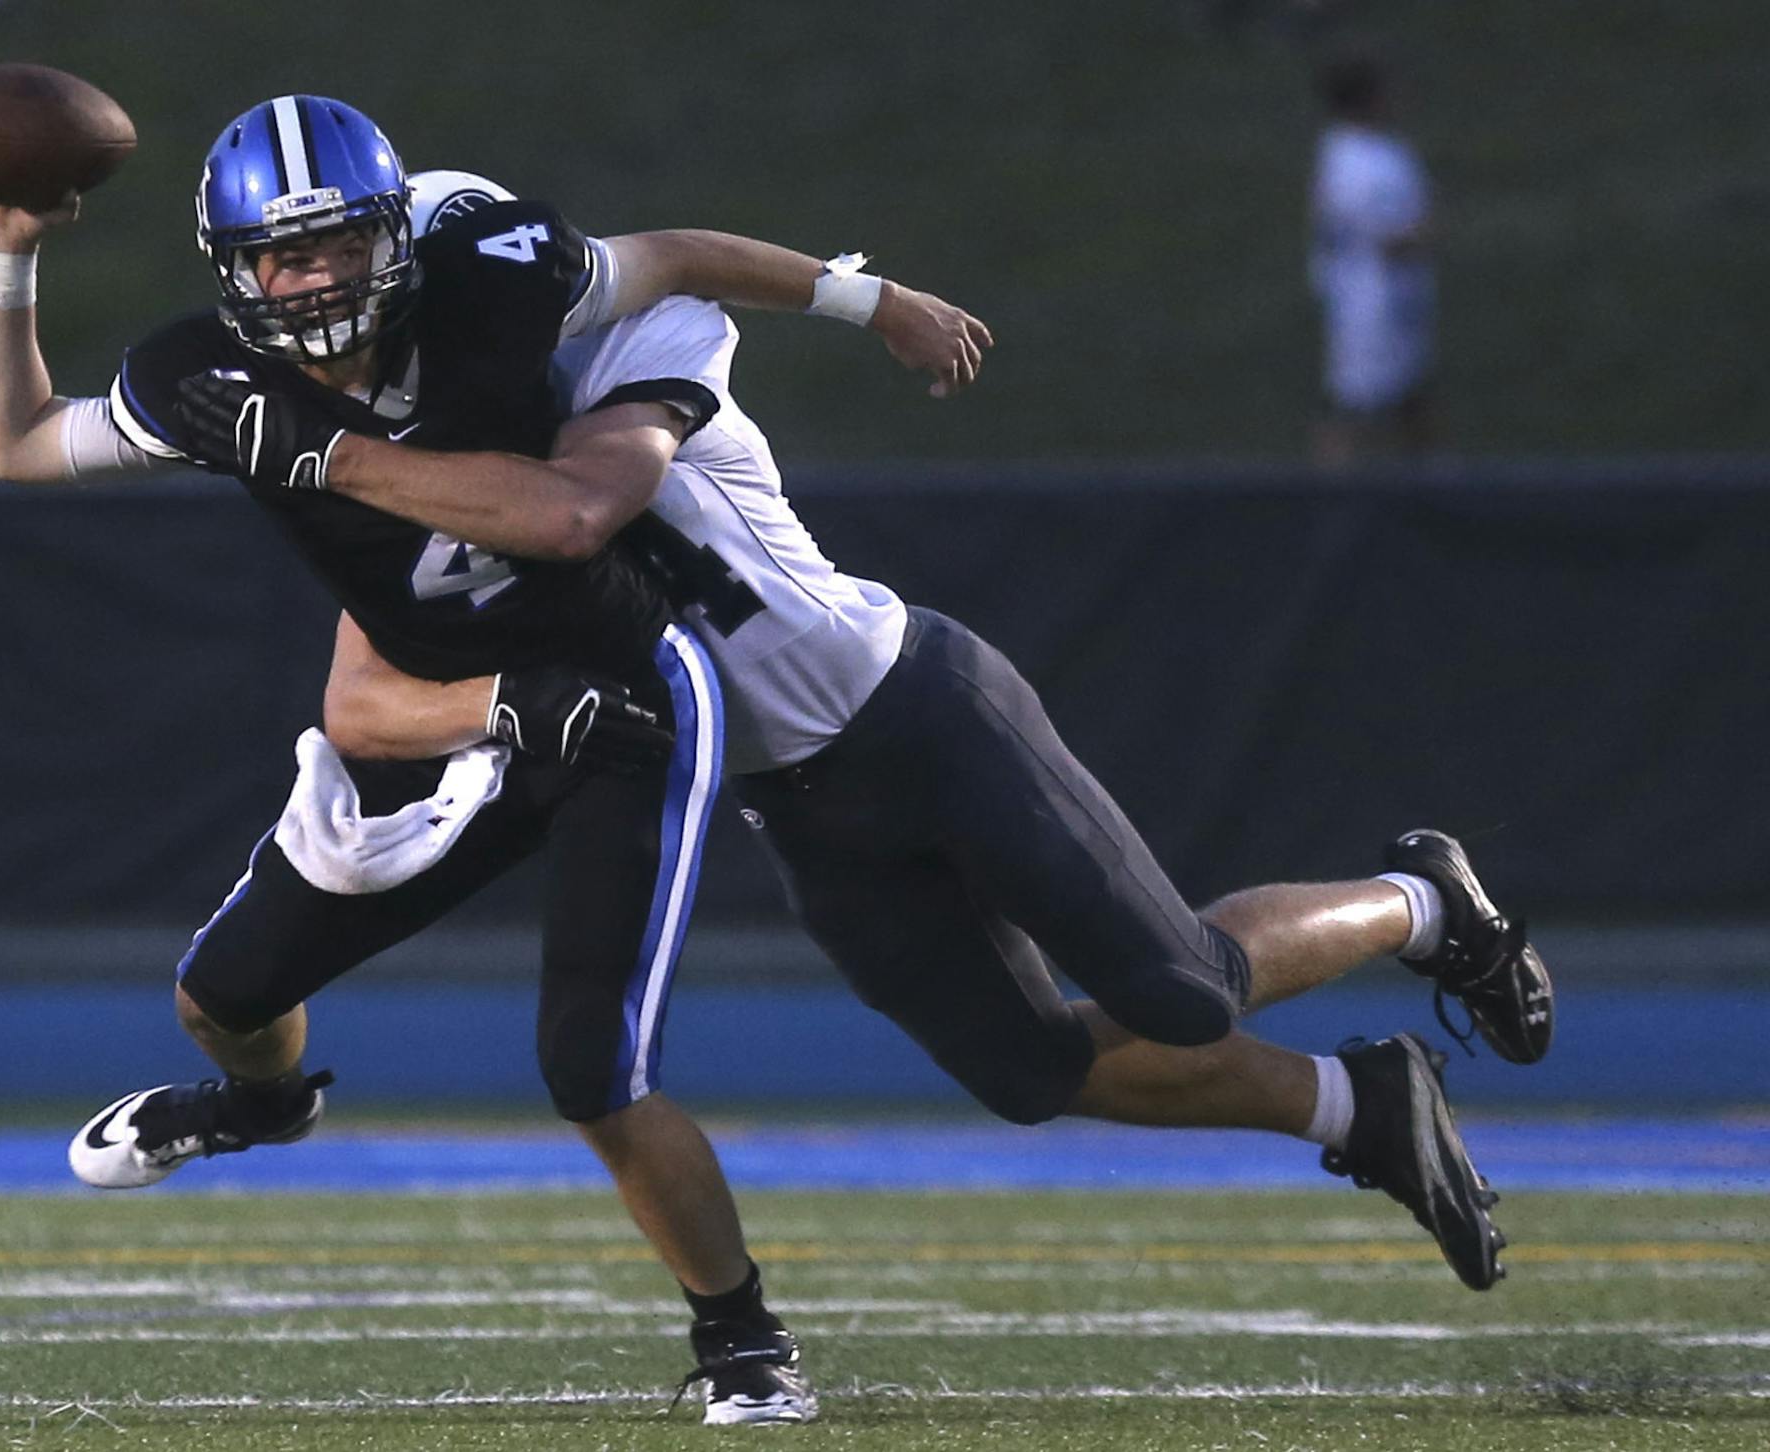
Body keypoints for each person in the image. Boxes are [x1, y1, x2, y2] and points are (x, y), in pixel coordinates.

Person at [260, 169, 1555, 1307]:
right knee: (1026, 1069)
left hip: (915, 709)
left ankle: (1417, 900)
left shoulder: (638, 347)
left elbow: (583, 501)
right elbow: (364, 679)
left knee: (1185, 988)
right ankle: (1360, 1103)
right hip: (798, 804)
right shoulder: (422, 452)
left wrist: (869, 302)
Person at [0, 97, 984, 1426]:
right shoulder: (209, 383)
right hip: (451, 701)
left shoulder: (495, 281)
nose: (313, 277)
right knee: (222, 989)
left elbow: (670, 258)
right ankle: (266, 1108)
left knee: (592, 1068)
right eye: (282, 255)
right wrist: (10, 244)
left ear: (394, 235)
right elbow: (11, 440)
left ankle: (742, 1339)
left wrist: (866, 299)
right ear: (233, 268)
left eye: (335, 244)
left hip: (622, 692)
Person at [1309, 51, 1437, 465]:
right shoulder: (1348, 161)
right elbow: (1384, 237)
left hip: (1400, 299)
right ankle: (1330, 500)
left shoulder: (1382, 150)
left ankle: (1427, 490)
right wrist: (1424, 235)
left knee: (1412, 398)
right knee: (1353, 405)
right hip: (1368, 305)